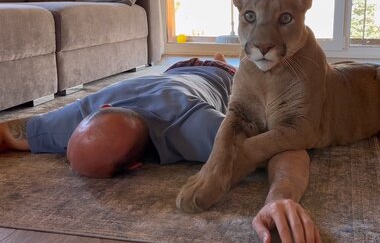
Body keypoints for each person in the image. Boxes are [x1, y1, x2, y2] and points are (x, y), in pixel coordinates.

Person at [0, 54, 321, 243]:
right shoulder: (84, 110)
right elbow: (10, 133)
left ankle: (220, 59)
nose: (63, 155)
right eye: (68, 149)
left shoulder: (193, 126)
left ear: (137, 165)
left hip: (221, 75)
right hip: (174, 70)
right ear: (104, 107)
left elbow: (286, 143)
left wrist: (280, 199)